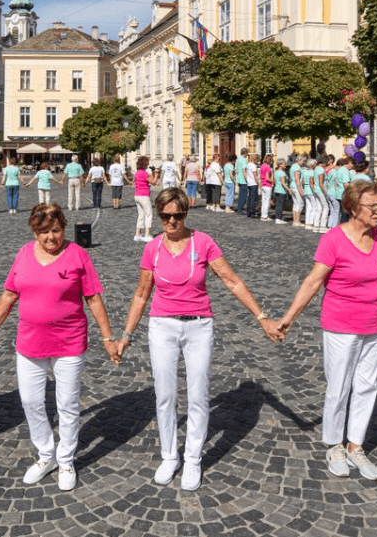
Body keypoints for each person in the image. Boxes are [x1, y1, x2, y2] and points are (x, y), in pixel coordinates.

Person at [118, 188, 283, 490]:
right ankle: (170, 456)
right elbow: (142, 294)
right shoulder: (152, 248)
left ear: (185, 214)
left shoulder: (203, 242)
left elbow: (232, 281)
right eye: (165, 216)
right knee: (165, 395)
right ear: (159, 215)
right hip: (162, 326)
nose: (171, 221)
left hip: (199, 326)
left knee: (197, 394)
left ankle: (192, 458)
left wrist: (262, 318)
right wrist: (126, 335)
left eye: (177, 215)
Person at [278, 181, 377, 480]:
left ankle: (355, 445)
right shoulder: (333, 240)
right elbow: (313, 282)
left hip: (376, 324)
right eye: (373, 206)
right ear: (352, 208)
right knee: (339, 386)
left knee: (367, 386)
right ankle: (334, 444)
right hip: (341, 325)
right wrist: (289, 317)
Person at [0, 204, 120, 491]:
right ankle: (45, 455)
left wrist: (107, 338)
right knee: (30, 401)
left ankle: (65, 459)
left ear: (63, 228)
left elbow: (93, 298)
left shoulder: (77, 255)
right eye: (43, 232)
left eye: (55, 230)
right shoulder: (23, 254)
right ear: (34, 232)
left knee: (66, 405)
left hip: (69, 342)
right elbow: (9, 293)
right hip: (30, 342)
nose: (50, 237)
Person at [133, 156, 154, 242]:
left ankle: (137, 234)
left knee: (141, 214)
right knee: (148, 214)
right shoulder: (146, 173)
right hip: (144, 195)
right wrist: (154, 174)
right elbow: (154, 182)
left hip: (137, 195)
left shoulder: (137, 173)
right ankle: (147, 234)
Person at [310, 156, 329, 231]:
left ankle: (316, 224)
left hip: (315, 189)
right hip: (320, 190)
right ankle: (323, 225)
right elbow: (321, 183)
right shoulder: (321, 170)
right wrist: (325, 192)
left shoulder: (316, 169)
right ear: (324, 163)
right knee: (325, 207)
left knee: (319, 207)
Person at [272, 158, 290, 225]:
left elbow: (275, 181)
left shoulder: (276, 172)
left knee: (277, 204)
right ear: (280, 165)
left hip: (277, 189)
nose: (285, 165)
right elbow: (283, 182)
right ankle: (279, 218)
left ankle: (278, 217)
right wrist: (288, 189)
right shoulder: (282, 173)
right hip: (281, 190)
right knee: (280, 205)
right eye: (284, 164)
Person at [288, 156, 304, 228]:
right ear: (299, 160)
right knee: (300, 203)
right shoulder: (297, 167)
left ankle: (295, 220)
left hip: (292, 185)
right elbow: (297, 179)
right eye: (303, 161)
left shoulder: (292, 166)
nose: (303, 162)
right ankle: (297, 220)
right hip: (296, 186)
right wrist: (300, 189)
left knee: (295, 203)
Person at [259, 154, 275, 221]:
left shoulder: (262, 166)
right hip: (267, 185)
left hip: (263, 184)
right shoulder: (267, 167)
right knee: (267, 201)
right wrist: (273, 181)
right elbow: (268, 178)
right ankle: (265, 215)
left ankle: (263, 215)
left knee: (263, 201)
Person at [244, 154, 260, 218]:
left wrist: (247, 179)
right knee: (253, 198)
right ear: (255, 159)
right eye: (257, 160)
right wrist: (258, 183)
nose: (258, 161)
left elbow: (245, 172)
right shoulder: (253, 166)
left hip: (249, 183)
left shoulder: (248, 165)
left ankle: (248, 212)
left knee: (250, 198)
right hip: (253, 183)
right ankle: (252, 212)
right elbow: (255, 175)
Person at [234, 148, 249, 214]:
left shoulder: (238, 159)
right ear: (245, 153)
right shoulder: (243, 160)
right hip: (243, 179)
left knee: (240, 195)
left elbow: (236, 169)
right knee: (244, 195)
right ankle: (240, 209)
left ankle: (239, 208)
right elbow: (244, 171)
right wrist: (248, 180)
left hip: (239, 178)